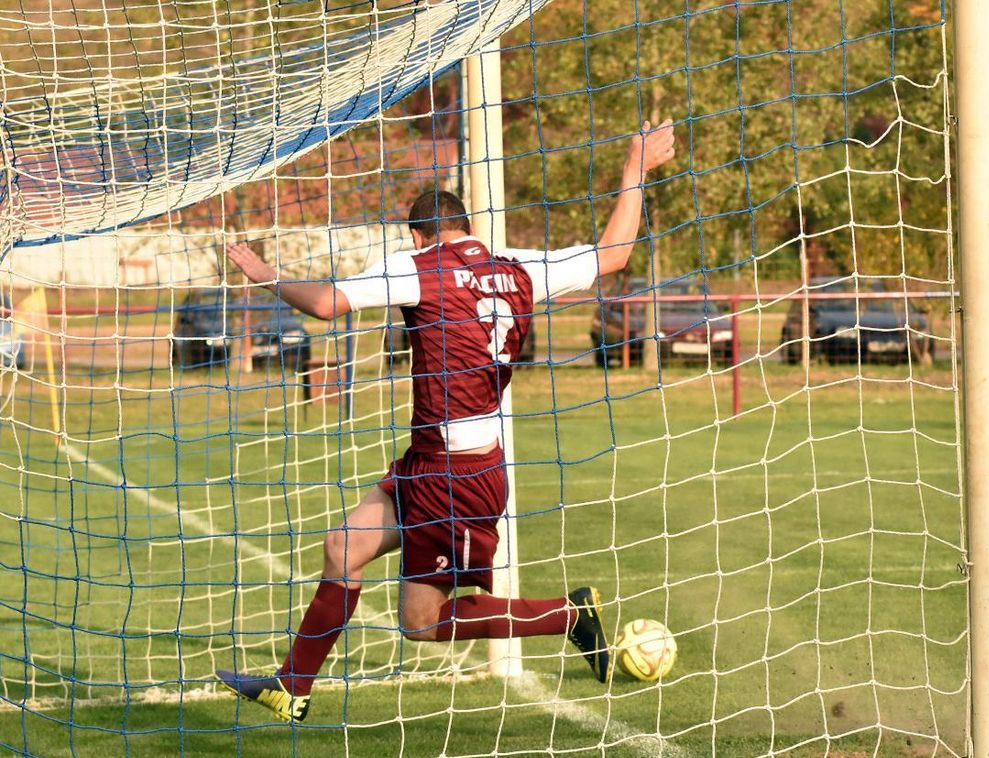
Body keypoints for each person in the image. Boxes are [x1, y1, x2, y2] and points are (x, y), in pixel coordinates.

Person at [214, 119, 677, 722]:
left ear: (416, 233)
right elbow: (614, 254)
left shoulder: (417, 267)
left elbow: (326, 304)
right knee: (342, 547)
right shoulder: (518, 267)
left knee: (422, 623)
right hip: (433, 465)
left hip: (457, 478)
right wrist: (633, 171)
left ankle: (569, 615)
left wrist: (265, 273)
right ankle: (292, 687)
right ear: (468, 230)